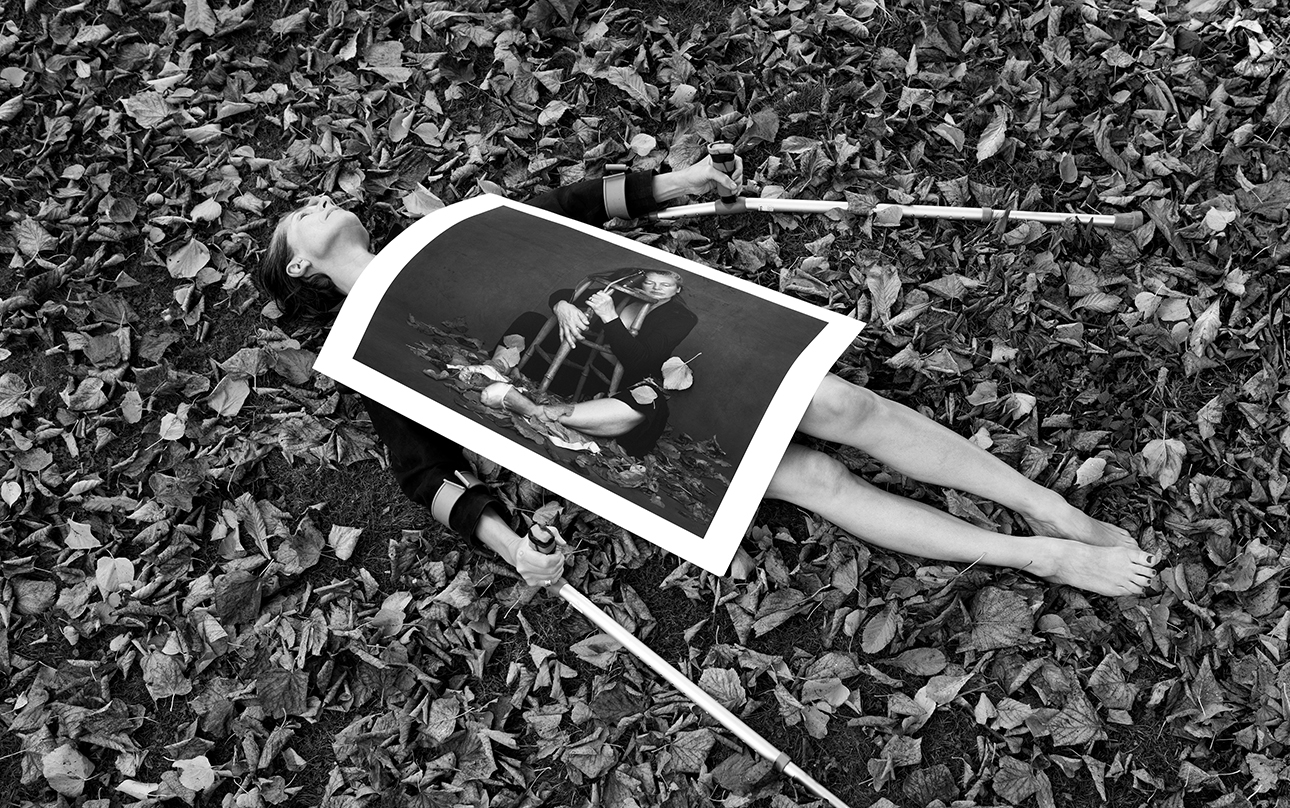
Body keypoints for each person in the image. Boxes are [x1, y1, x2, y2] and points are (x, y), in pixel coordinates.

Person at [257, 155, 1158, 597]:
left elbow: (562, 210)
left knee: (844, 404)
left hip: (658, 334)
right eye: (301, 214)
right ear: (299, 266)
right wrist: (509, 547)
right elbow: (423, 472)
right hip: (599, 400)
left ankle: (1045, 505)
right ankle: (1036, 556)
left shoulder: (445, 220)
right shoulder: (367, 345)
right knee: (814, 480)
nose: (322, 200)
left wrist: (677, 181)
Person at [476, 266, 696, 456]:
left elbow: (638, 361)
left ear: (677, 289)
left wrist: (610, 316)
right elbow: (566, 294)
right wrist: (563, 306)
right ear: (642, 282)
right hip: (576, 367)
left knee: (651, 401)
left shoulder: (681, 318)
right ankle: (495, 370)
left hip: (609, 388)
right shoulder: (623, 292)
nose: (656, 288)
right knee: (532, 320)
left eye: (665, 285)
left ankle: (539, 412)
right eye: (650, 282)